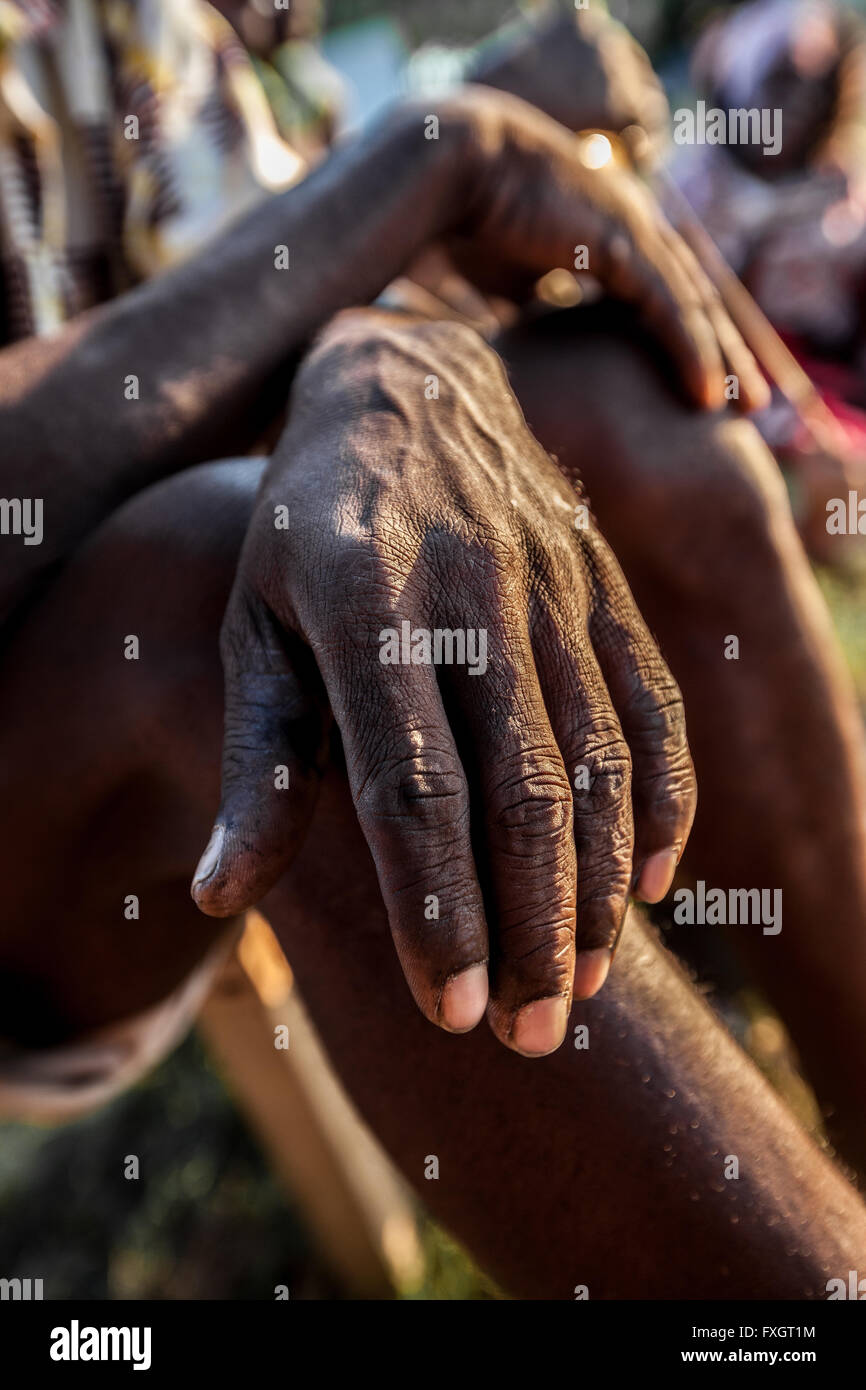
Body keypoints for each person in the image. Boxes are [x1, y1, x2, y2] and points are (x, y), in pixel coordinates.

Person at [1, 0, 865, 1297]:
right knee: (294, 602)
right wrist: (430, 158)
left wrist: (374, 348)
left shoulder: (144, 31)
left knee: (626, 416)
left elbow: (272, 307)